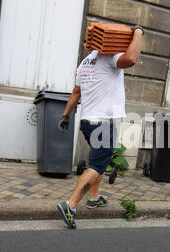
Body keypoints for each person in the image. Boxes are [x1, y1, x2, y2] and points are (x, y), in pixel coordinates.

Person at [56, 25, 144, 229]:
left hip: (87, 121)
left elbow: (76, 92)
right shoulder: (111, 56)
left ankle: (94, 197)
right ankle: (71, 205)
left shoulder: (85, 62)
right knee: (97, 166)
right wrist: (138, 32)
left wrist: (65, 115)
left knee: (98, 160)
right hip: (104, 123)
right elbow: (131, 59)